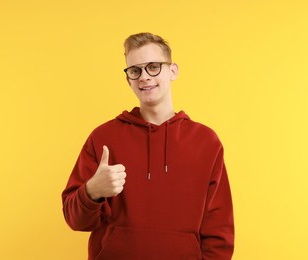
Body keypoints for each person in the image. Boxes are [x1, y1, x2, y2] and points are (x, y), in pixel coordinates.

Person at [62, 32, 235, 260]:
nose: (144, 77)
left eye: (153, 67)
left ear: (172, 71)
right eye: (135, 70)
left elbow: (219, 228)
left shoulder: (206, 141)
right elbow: (75, 220)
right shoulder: (103, 137)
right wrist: (92, 191)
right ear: (128, 79)